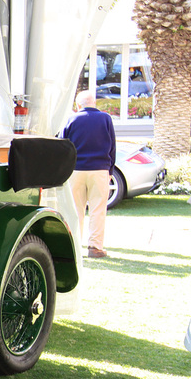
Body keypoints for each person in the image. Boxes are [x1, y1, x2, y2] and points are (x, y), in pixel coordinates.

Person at [60, 89, 116, 258]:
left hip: (76, 170)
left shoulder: (71, 119)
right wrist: (110, 170)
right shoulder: (105, 118)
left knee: (75, 209)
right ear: (94, 103)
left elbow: (63, 146)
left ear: (78, 105)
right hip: (99, 169)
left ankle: (74, 245)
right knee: (98, 209)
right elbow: (112, 146)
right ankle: (95, 246)